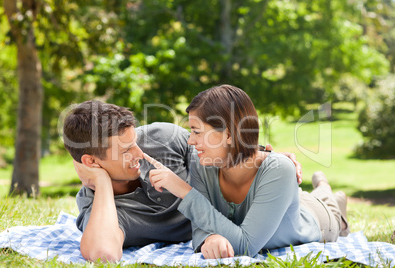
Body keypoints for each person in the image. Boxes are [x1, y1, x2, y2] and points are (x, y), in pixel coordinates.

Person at [62, 100, 304, 262]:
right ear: (91, 162)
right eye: (126, 150)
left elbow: (215, 147)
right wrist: (102, 182)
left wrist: (263, 157)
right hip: (227, 223)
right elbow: (103, 254)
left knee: (312, 207)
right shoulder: (98, 209)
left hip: (249, 203)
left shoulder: (161, 139)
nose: (139, 153)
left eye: (135, 141)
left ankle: (324, 190)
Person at [144, 84, 350, 259]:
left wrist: (185, 192)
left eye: (197, 132)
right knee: (305, 198)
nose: (190, 141)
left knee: (332, 210)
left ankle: (327, 191)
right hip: (279, 202)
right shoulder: (202, 163)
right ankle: (323, 189)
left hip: (318, 219)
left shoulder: (279, 171)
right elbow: (200, 226)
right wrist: (209, 238)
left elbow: (246, 246)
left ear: (227, 134)